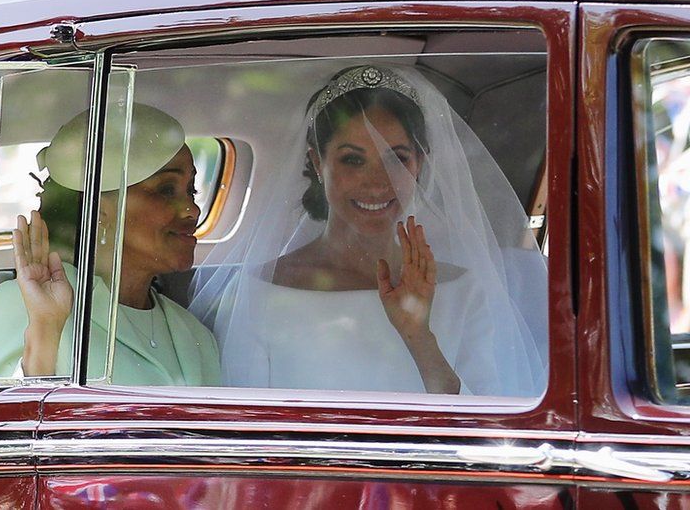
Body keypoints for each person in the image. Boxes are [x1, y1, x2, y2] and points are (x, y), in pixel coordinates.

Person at [189, 63, 546, 397]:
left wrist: (419, 337)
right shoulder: (258, 291)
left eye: (397, 158)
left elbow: (486, 433)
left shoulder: (465, 291)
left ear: (418, 164)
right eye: (353, 159)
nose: (378, 183)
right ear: (317, 162)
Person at [0, 103, 221, 386]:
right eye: (166, 190)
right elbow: (6, 423)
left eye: (191, 190)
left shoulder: (196, 335)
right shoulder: (28, 302)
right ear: (101, 212)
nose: (192, 210)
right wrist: (45, 329)